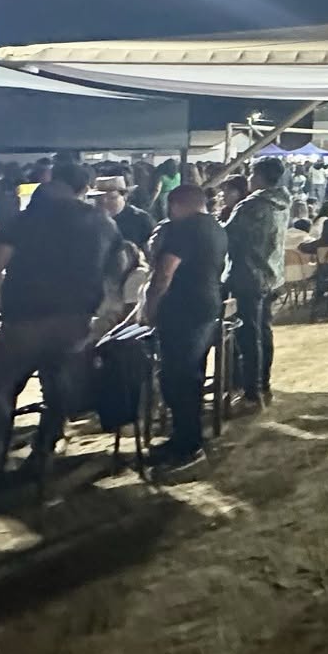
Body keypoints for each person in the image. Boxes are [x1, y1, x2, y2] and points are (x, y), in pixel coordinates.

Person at [0, 161, 125, 481]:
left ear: (55, 181)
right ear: (84, 188)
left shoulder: (30, 217)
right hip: (75, 321)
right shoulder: (103, 222)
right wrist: (102, 313)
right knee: (57, 393)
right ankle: (43, 456)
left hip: (24, 319)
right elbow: (117, 269)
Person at [141, 183, 229, 467]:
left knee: (176, 378)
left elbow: (164, 274)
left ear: (176, 205)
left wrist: (150, 307)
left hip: (183, 310)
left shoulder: (183, 230)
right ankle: (184, 437)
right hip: (207, 305)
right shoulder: (216, 228)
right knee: (191, 375)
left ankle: (189, 445)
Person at [223, 157, 290, 408]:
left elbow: (226, 237)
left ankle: (251, 391)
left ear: (259, 176)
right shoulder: (282, 202)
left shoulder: (251, 206)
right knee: (263, 331)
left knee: (248, 336)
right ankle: (264, 384)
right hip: (272, 275)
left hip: (248, 277)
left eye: (252, 174)